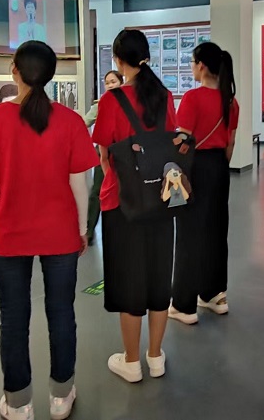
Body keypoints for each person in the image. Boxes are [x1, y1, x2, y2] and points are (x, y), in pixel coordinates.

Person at [0, 41, 98, 420]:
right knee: (61, 313)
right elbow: (81, 184)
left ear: (14, 70)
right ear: (50, 74)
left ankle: (18, 402)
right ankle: (61, 395)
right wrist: (81, 229)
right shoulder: (70, 121)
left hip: (8, 236)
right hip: (60, 235)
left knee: (13, 319)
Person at [91, 29, 178, 383]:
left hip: (121, 202)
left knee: (129, 279)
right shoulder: (164, 96)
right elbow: (170, 144)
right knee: (159, 276)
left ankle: (130, 361)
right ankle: (155, 356)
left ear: (117, 58)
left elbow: (104, 156)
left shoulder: (112, 100)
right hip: (161, 198)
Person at [169, 42, 239, 325]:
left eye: (192, 62)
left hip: (195, 168)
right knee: (216, 231)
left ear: (200, 65)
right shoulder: (230, 101)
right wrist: (218, 166)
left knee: (189, 234)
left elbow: (182, 142)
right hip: (220, 167)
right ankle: (215, 295)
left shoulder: (192, 98)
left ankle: (184, 305)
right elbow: (230, 143)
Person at [83, 70, 124, 245]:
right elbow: (84, 122)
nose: (110, 85)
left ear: (121, 82)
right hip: (104, 151)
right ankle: (89, 230)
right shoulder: (101, 104)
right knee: (98, 191)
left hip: (125, 152)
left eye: (113, 81)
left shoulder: (130, 103)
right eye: (107, 83)